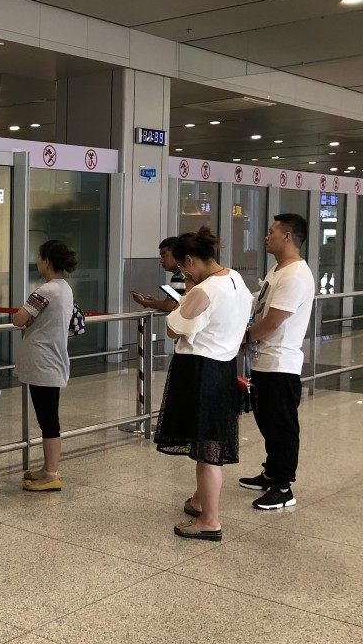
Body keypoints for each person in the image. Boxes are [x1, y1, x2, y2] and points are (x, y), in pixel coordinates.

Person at [154, 227, 252, 542]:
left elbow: (173, 328)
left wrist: (188, 293)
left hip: (200, 370)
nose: (184, 274)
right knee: (209, 440)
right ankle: (199, 502)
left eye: (184, 268)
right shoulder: (235, 278)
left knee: (207, 449)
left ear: (190, 260)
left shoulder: (204, 290)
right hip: (223, 367)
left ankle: (210, 520)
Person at [239, 214, 316, 510]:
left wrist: (243, 339)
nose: (266, 236)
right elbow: (260, 306)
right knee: (268, 422)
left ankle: (283, 487)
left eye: (271, 231)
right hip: (264, 360)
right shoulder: (278, 269)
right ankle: (271, 473)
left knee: (281, 426)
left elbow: (272, 322)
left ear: (287, 236)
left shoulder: (295, 275)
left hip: (280, 363)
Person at [12, 241, 77, 492]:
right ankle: (47, 468)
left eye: (39, 257)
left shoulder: (45, 291)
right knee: (48, 418)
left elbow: (19, 319)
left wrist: (23, 317)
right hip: (53, 359)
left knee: (48, 420)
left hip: (43, 362)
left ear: (47, 261)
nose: (37, 261)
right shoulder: (65, 288)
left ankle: (51, 474)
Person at [131, 236, 189, 312]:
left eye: (164, 256)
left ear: (176, 254)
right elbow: (175, 302)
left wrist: (143, 302)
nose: (161, 260)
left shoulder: (179, 276)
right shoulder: (186, 273)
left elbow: (169, 305)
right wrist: (154, 302)